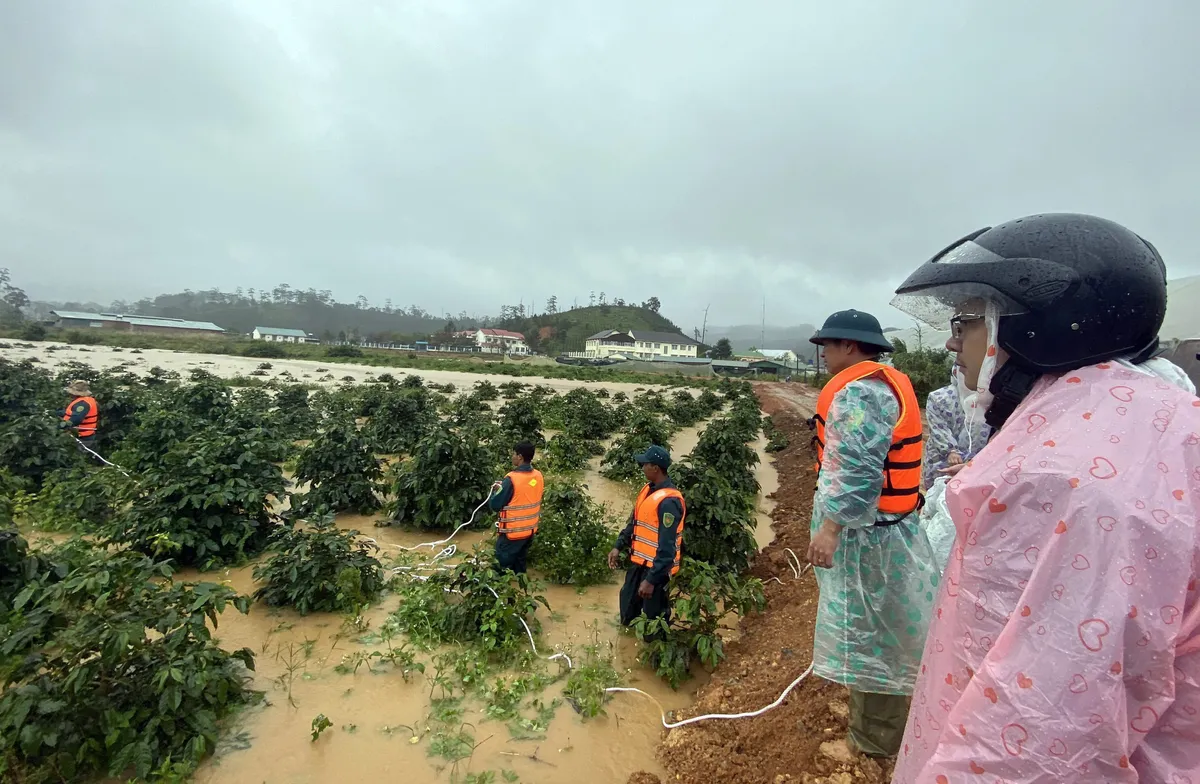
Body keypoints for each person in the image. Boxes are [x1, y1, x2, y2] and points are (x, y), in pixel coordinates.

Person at [889, 212, 1200, 783]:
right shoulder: (1131, 423)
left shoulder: (1073, 477)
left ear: (1042, 327)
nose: (955, 343)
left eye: (970, 321)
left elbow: (1042, 731)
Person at [806, 309, 940, 758]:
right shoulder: (881, 387)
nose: (824, 355)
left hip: (871, 541)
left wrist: (829, 529)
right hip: (884, 533)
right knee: (875, 633)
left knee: (877, 638)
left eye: (827, 346)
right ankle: (874, 731)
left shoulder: (861, 395)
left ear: (849, 346)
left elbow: (858, 475)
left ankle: (874, 746)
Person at [607, 445, 685, 631]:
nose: (642, 468)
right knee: (627, 611)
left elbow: (667, 548)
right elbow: (635, 523)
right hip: (639, 564)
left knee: (654, 623)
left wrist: (651, 580)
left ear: (655, 468)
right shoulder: (647, 490)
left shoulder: (669, 502)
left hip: (656, 571)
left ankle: (654, 656)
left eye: (645, 464)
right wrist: (618, 546)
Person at [922, 367, 991, 491]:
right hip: (942, 458)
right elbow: (938, 427)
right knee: (939, 491)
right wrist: (950, 450)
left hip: (975, 461)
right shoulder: (939, 397)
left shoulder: (987, 400)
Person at [488, 440, 543, 574]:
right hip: (528, 533)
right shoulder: (538, 476)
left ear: (520, 457)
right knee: (519, 568)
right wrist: (505, 487)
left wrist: (497, 491)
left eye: (514, 454)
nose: (512, 456)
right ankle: (520, 592)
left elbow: (495, 505)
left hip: (512, 534)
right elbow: (524, 491)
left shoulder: (512, 479)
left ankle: (495, 593)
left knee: (500, 570)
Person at [60, 380, 99, 448]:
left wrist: (59, 427)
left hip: (83, 437)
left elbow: (76, 419)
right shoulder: (84, 400)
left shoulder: (83, 404)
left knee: (79, 455)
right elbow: (69, 413)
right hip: (84, 435)